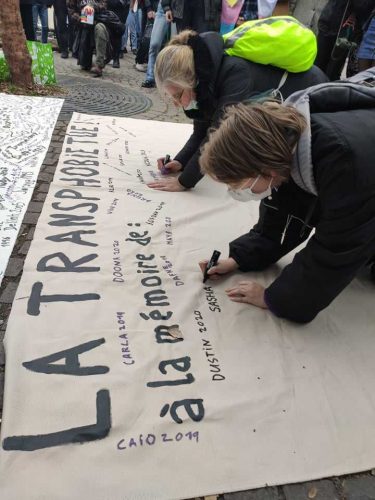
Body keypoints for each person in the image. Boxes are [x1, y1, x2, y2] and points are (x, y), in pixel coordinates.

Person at [197, 70, 375, 324]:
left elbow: (337, 249)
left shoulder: (343, 161)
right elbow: (283, 216)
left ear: (263, 170)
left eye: (237, 184)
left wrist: (277, 299)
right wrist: (238, 258)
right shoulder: (287, 142)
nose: (235, 192)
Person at [147, 30, 328, 193]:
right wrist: (180, 162)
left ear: (192, 81)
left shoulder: (234, 73)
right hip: (281, 101)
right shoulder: (205, 76)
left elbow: (216, 134)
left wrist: (184, 182)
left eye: (178, 95)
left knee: (295, 164)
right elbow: (201, 130)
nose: (177, 104)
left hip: (310, 95)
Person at [67, 0, 111, 77]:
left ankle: (99, 64)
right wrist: (80, 18)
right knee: (84, 66)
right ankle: (85, 61)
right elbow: (71, 10)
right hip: (83, 24)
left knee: (100, 29)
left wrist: (92, 6)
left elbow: (104, 5)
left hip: (98, 21)